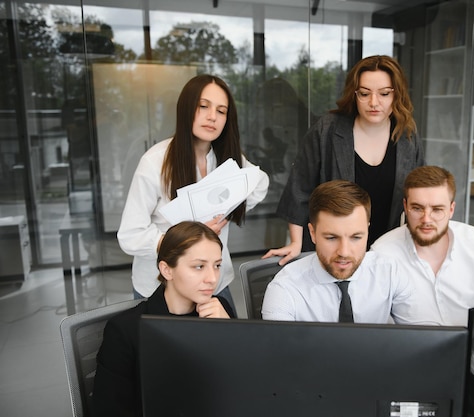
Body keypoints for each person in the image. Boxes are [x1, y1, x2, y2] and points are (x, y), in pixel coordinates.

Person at [117, 74, 269, 309]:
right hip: (162, 288)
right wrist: (186, 241)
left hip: (213, 283)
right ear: (186, 108)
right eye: (203, 106)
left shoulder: (227, 159)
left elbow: (259, 183)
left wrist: (225, 211)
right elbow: (130, 235)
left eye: (221, 111)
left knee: (225, 345)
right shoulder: (155, 162)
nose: (212, 117)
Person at [264, 55, 424, 265]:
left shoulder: (407, 137)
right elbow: (299, 189)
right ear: (354, 94)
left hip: (386, 251)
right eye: (365, 94)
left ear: (397, 95)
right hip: (334, 250)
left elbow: (419, 194)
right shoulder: (327, 130)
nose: (374, 102)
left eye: (384, 93)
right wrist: (296, 243)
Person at [93, 221, 234, 417]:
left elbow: (241, 388)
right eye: (199, 266)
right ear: (167, 270)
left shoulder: (220, 311)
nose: (212, 278)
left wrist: (231, 335)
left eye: (217, 265)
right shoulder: (125, 331)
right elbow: (108, 411)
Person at [371, 165, 474, 327]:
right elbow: (373, 323)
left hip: (471, 345)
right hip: (412, 349)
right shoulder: (382, 254)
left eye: (437, 209)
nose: (426, 219)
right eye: (417, 208)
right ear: (405, 207)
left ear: (451, 209)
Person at [261, 180, 420, 324]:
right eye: (331, 238)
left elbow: (418, 338)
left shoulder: (390, 272)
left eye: (356, 237)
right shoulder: (284, 288)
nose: (344, 252)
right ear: (312, 233)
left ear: (367, 230)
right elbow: (280, 353)